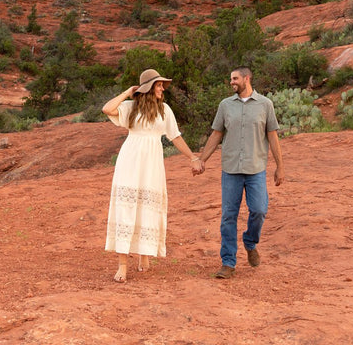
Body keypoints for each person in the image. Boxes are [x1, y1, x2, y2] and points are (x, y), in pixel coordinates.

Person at [103, 68, 202, 282]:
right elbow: (107, 109)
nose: (162, 89)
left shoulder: (165, 110)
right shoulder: (131, 107)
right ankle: (122, 265)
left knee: (148, 205)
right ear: (148, 88)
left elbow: (175, 137)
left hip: (152, 162)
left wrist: (192, 158)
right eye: (158, 85)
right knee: (127, 208)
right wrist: (128, 92)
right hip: (130, 160)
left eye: (162, 85)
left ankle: (144, 255)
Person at [196, 66, 284, 278]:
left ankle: (250, 242)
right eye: (230, 79)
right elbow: (216, 135)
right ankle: (228, 262)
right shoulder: (225, 106)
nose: (231, 82)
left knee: (259, 210)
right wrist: (201, 160)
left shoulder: (265, 105)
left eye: (235, 78)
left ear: (246, 78)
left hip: (256, 169)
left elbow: (272, 136)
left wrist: (280, 166)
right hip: (231, 169)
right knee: (228, 216)